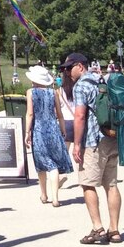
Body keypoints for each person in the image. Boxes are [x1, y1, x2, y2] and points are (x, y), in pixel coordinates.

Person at [64, 51, 122, 244]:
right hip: (112, 137)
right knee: (111, 185)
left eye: (69, 68)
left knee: (88, 183)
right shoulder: (102, 80)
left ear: (80, 66)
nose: (67, 72)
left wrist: (77, 144)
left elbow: (80, 116)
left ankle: (97, 228)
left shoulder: (81, 85)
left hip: (93, 142)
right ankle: (114, 230)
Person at [24, 64, 73, 207]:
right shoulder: (54, 93)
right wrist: (63, 130)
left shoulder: (31, 92)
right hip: (53, 129)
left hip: (39, 130)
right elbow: (60, 114)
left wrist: (27, 132)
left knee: (41, 163)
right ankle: (55, 197)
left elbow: (30, 113)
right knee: (53, 164)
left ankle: (44, 194)